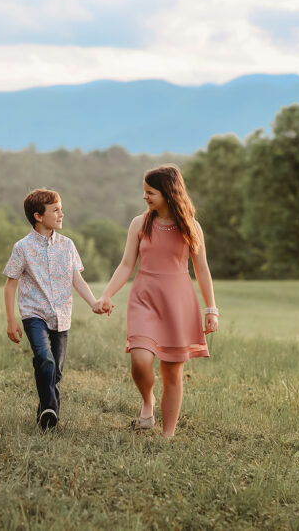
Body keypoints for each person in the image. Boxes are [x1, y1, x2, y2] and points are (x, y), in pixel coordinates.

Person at [96, 165, 218, 437]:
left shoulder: (191, 227)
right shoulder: (140, 223)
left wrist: (211, 309)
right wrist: (106, 294)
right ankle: (147, 399)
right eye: (145, 192)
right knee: (140, 361)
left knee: (173, 373)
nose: (145, 197)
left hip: (178, 303)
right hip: (144, 299)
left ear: (168, 193)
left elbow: (202, 270)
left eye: (150, 192)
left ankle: (167, 435)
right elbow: (126, 264)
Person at [3, 188, 112, 431]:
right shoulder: (22, 247)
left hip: (61, 316)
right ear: (38, 216)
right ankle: (50, 405)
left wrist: (94, 302)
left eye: (61, 209)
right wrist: (12, 320)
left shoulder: (67, 245)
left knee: (56, 373)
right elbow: (10, 284)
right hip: (34, 315)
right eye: (56, 210)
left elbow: (77, 280)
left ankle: (47, 417)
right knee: (45, 360)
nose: (62, 214)